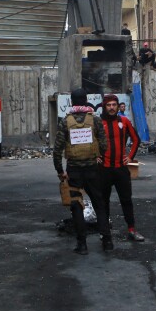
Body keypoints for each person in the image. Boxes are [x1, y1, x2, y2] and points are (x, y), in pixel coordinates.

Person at [53, 88, 112, 254]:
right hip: (93, 169)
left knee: (76, 206)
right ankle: (107, 241)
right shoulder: (95, 120)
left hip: (74, 170)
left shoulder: (65, 122)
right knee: (99, 204)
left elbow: (57, 150)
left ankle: (82, 245)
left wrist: (60, 171)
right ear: (86, 101)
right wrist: (98, 156)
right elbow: (104, 144)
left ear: (72, 102)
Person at [98, 94, 145, 242]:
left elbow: (136, 139)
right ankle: (105, 232)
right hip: (104, 169)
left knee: (126, 200)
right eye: (109, 105)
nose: (112, 108)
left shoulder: (123, 121)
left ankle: (132, 229)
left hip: (121, 169)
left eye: (114, 105)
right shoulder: (98, 123)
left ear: (118, 106)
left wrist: (130, 157)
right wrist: (95, 155)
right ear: (104, 107)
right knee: (103, 201)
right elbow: (90, 142)